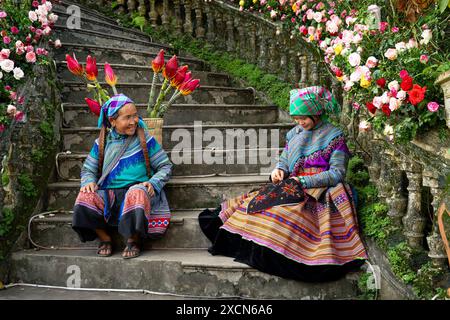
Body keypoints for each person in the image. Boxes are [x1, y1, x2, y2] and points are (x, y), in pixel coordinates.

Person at [198, 86, 368, 282]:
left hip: (320, 190)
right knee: (257, 206)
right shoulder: (294, 134)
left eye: (303, 117)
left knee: (285, 214)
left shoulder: (334, 136)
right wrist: (279, 170)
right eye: (296, 118)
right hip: (293, 185)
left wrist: (304, 180)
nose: (299, 122)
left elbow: (337, 173)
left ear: (316, 113)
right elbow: (285, 160)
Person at [72, 94, 173, 259]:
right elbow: (88, 170)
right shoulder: (102, 143)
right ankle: (105, 238)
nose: (134, 121)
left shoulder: (144, 139)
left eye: (135, 115)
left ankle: (134, 240)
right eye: (127, 117)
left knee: (136, 192)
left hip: (136, 191)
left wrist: (153, 183)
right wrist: (88, 181)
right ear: (113, 121)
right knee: (84, 196)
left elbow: (165, 166)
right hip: (109, 193)